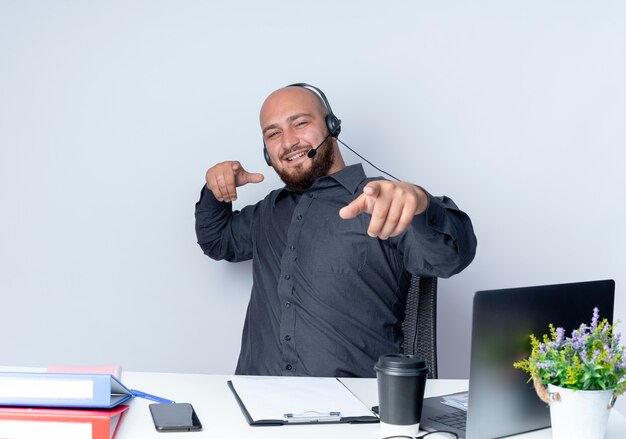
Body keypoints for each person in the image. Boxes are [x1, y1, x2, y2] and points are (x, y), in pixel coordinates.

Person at [195, 83, 477, 377]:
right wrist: (216, 190)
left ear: (332, 126)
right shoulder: (268, 211)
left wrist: (421, 203)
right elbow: (216, 240)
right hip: (255, 404)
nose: (288, 141)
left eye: (300, 123)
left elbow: (451, 258)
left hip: (351, 413)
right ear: (267, 152)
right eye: (273, 133)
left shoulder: (382, 202)